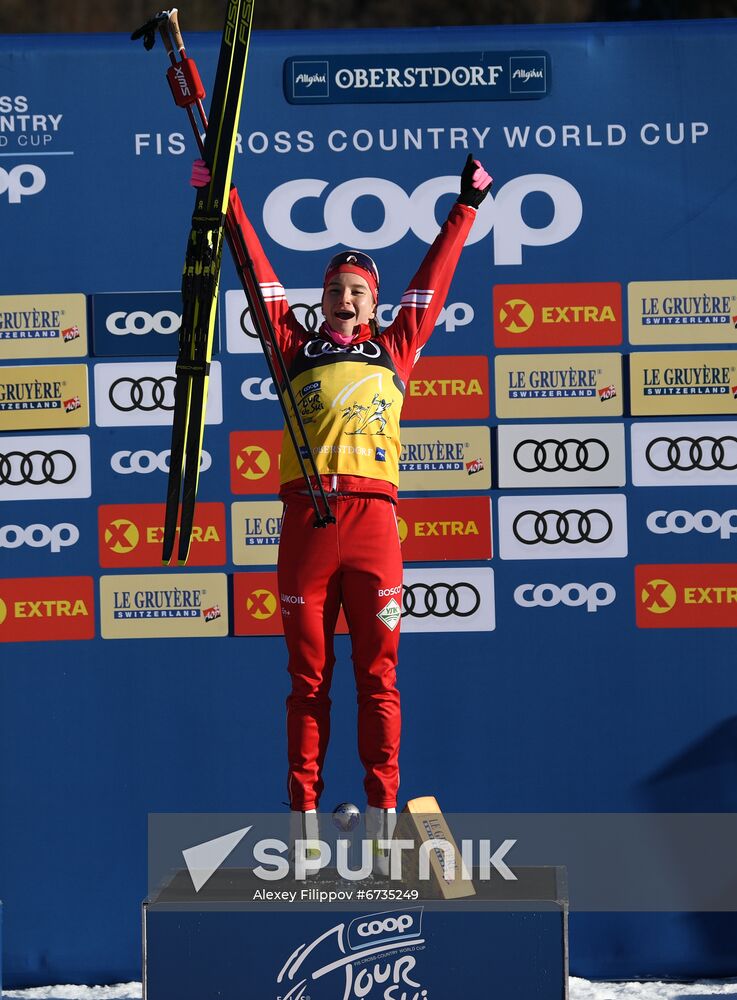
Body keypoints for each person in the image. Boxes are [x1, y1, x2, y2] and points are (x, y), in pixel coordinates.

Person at [191, 154, 492, 872]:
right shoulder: (290, 348)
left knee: (378, 678)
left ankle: (383, 822)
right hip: (307, 528)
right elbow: (256, 273)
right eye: (334, 290)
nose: (345, 299)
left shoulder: (396, 347)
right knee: (308, 679)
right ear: (321, 301)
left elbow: (432, 279)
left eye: (356, 290)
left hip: (373, 529)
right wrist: (226, 196)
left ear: (373, 301)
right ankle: (302, 829)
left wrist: (466, 208)